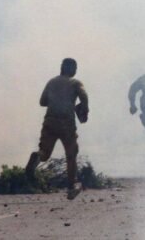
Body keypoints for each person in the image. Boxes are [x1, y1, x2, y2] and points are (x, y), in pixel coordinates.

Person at [25, 58, 89, 200]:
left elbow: (42, 102)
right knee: (71, 155)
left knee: (45, 153)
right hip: (66, 123)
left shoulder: (52, 82)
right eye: (75, 68)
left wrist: (56, 99)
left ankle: (37, 157)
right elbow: (84, 95)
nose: (76, 70)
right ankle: (71, 188)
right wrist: (84, 108)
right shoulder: (75, 83)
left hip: (50, 121)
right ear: (71, 69)